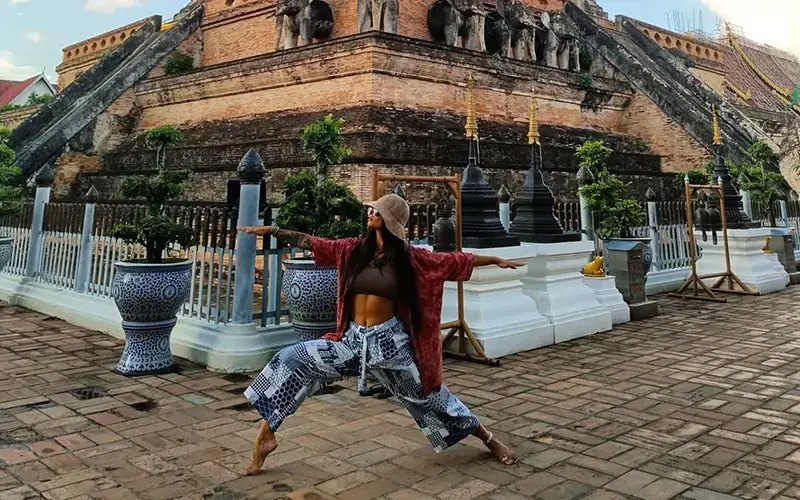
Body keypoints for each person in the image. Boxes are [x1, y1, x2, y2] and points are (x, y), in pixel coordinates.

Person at [238, 193, 524, 475]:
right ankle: (266, 435)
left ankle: (489, 440)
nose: (370, 213)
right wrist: (274, 231)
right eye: (372, 209)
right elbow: (313, 243)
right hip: (351, 342)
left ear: (389, 220)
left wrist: (495, 259)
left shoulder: (410, 259)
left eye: (377, 211)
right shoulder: (353, 251)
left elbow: (454, 261)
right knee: (291, 359)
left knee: (432, 399)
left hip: (390, 347)